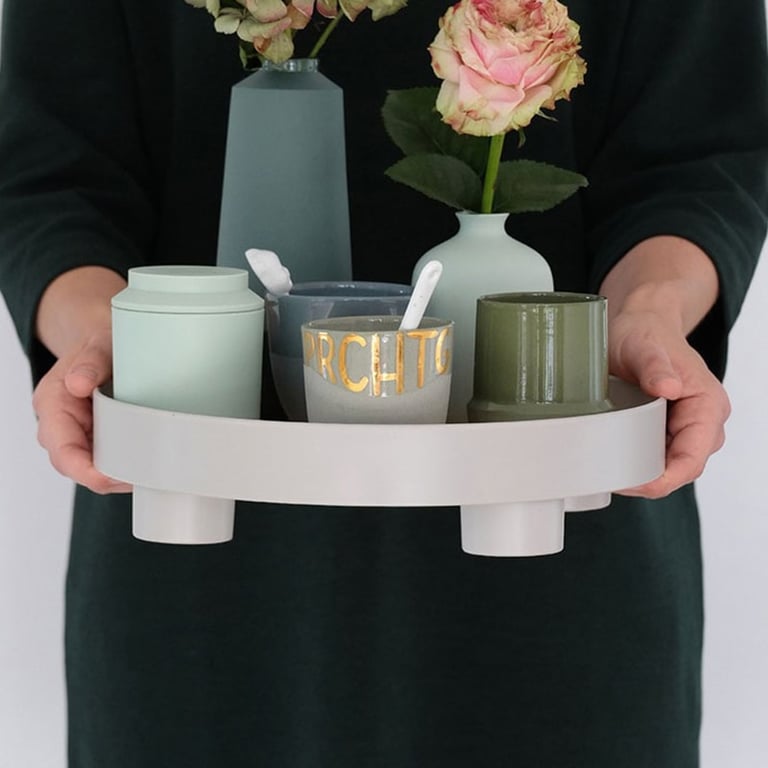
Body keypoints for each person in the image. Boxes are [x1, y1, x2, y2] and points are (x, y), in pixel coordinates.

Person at [1, 0, 766, 766]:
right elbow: (49, 165)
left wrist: (651, 315)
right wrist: (100, 337)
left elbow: (697, 148)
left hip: (561, 532)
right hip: (189, 553)